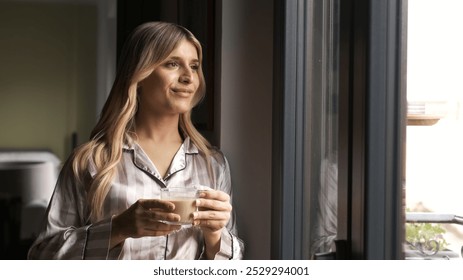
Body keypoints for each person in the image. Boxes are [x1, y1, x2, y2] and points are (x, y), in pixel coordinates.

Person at [27, 21, 244, 260]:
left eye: (194, 66)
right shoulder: (89, 162)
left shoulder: (213, 164)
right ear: (140, 75)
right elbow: (41, 256)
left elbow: (230, 269)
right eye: (172, 64)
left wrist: (215, 235)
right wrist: (119, 228)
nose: (188, 77)